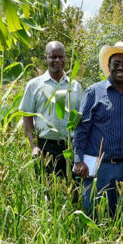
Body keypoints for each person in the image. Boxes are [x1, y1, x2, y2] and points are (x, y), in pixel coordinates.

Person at [73, 42, 123, 223]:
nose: (120, 67)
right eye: (116, 64)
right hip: (96, 164)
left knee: (120, 214)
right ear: (109, 67)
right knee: (92, 213)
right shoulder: (93, 92)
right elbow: (81, 129)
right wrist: (78, 159)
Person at [20, 41, 83, 177]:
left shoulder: (75, 86)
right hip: (45, 148)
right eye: (53, 57)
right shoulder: (34, 85)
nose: (57, 60)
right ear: (45, 58)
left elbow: (80, 119)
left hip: (71, 148)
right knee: (47, 193)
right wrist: (34, 146)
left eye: (61, 57)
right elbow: (27, 116)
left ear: (66, 58)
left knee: (72, 193)